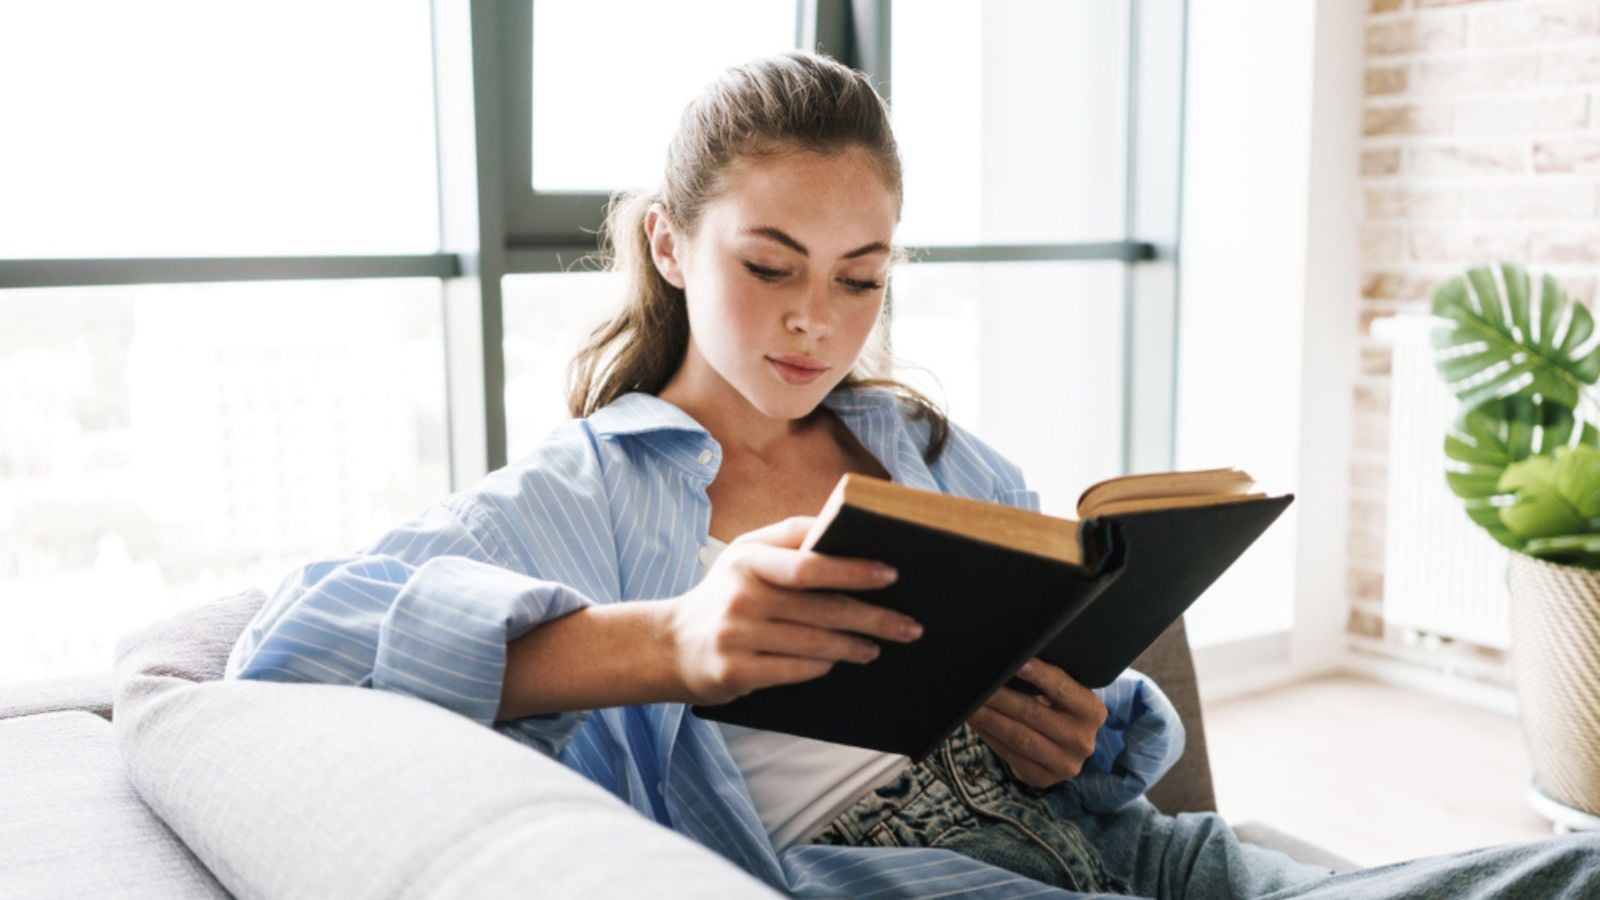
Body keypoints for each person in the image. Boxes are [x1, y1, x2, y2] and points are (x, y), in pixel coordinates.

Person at [226, 50, 1600, 898]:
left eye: (861, 279)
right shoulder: (581, 495)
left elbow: (1099, 720)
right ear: (666, 243)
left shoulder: (929, 453)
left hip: (1143, 861)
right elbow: (286, 648)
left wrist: (1080, 737)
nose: (814, 322)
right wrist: (673, 641)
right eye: (767, 267)